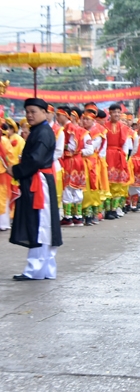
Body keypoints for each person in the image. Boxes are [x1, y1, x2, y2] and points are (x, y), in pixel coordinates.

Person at [10, 98, 63, 281]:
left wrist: (15, 170)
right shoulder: (40, 131)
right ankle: (45, 268)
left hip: (38, 181)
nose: (29, 115)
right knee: (43, 224)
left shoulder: (43, 132)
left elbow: (36, 160)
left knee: (39, 224)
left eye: (33, 111)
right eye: (27, 112)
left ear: (44, 113)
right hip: (39, 179)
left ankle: (35, 269)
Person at [60, 108, 93, 227]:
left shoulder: (68, 130)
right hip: (79, 162)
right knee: (77, 188)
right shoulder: (84, 132)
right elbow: (90, 150)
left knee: (68, 188)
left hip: (70, 161)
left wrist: (63, 146)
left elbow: (72, 148)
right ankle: (77, 217)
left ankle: (68, 217)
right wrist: (80, 152)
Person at [104, 104, 132, 219]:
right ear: (109, 113)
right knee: (107, 183)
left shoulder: (124, 127)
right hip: (107, 155)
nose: (116, 114)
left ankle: (114, 209)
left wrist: (124, 158)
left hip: (119, 156)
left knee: (117, 184)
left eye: (118, 112)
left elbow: (126, 145)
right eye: (114, 112)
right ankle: (107, 210)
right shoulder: (104, 126)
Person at [0, 123, 20, 232]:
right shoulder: (5, 140)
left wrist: (10, 168)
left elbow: (10, 157)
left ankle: (3, 222)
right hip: (3, 171)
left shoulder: (4, 141)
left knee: (3, 198)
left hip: (2, 173)